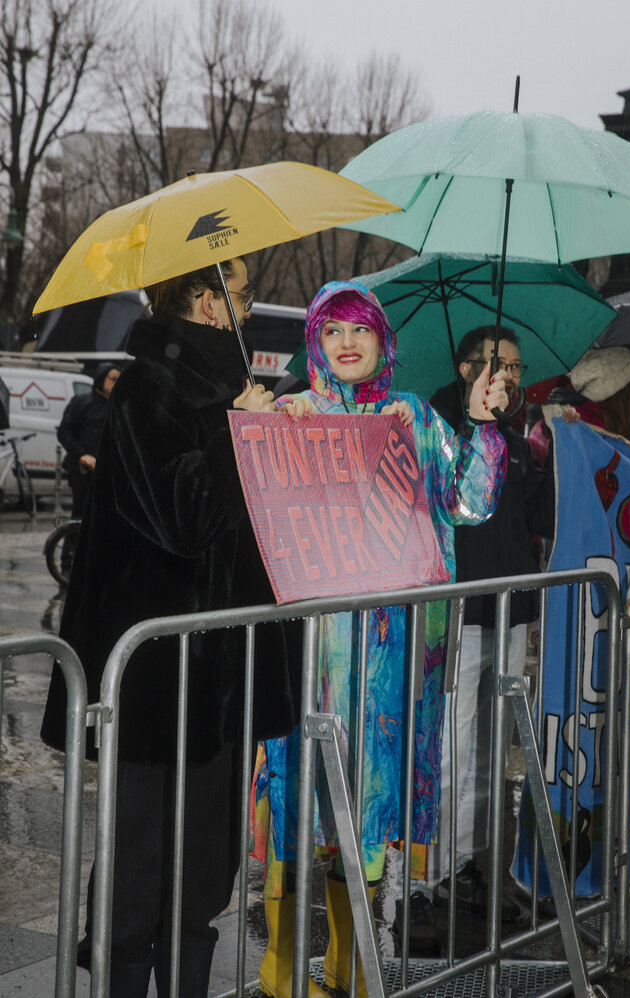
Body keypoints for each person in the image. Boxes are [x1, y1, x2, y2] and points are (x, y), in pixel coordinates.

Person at [41, 258, 298, 998]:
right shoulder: (150, 384)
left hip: (217, 675)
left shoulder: (225, 386)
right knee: (140, 864)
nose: (246, 310)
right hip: (154, 678)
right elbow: (180, 518)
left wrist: (270, 428)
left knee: (203, 868)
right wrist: (237, 432)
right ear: (203, 300)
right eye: (241, 296)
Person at [253, 281, 508, 998]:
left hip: (390, 660)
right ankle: (277, 964)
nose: (345, 343)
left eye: (358, 329)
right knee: (295, 797)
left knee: (369, 806)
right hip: (307, 654)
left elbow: (470, 501)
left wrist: (481, 425)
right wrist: (277, 427)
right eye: (330, 330)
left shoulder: (415, 417)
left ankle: (350, 960)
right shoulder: (293, 413)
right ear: (313, 343)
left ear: (381, 342)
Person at [397, 326, 554, 943]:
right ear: (466, 369)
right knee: (453, 746)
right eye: (498, 364)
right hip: (455, 615)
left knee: (496, 752)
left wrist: (557, 455)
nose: (510, 376)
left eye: (516, 367)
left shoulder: (517, 439)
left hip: (511, 612)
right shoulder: (434, 425)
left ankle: (489, 863)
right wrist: (470, 428)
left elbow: (538, 516)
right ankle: (438, 870)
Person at [57, 362, 122, 517]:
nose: (116, 383)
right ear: (101, 379)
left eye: (119, 379)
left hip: (108, 472)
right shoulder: (82, 402)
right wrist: (82, 455)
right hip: (83, 471)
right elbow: (64, 432)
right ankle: (72, 541)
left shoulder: (118, 407)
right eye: (113, 379)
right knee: (81, 516)